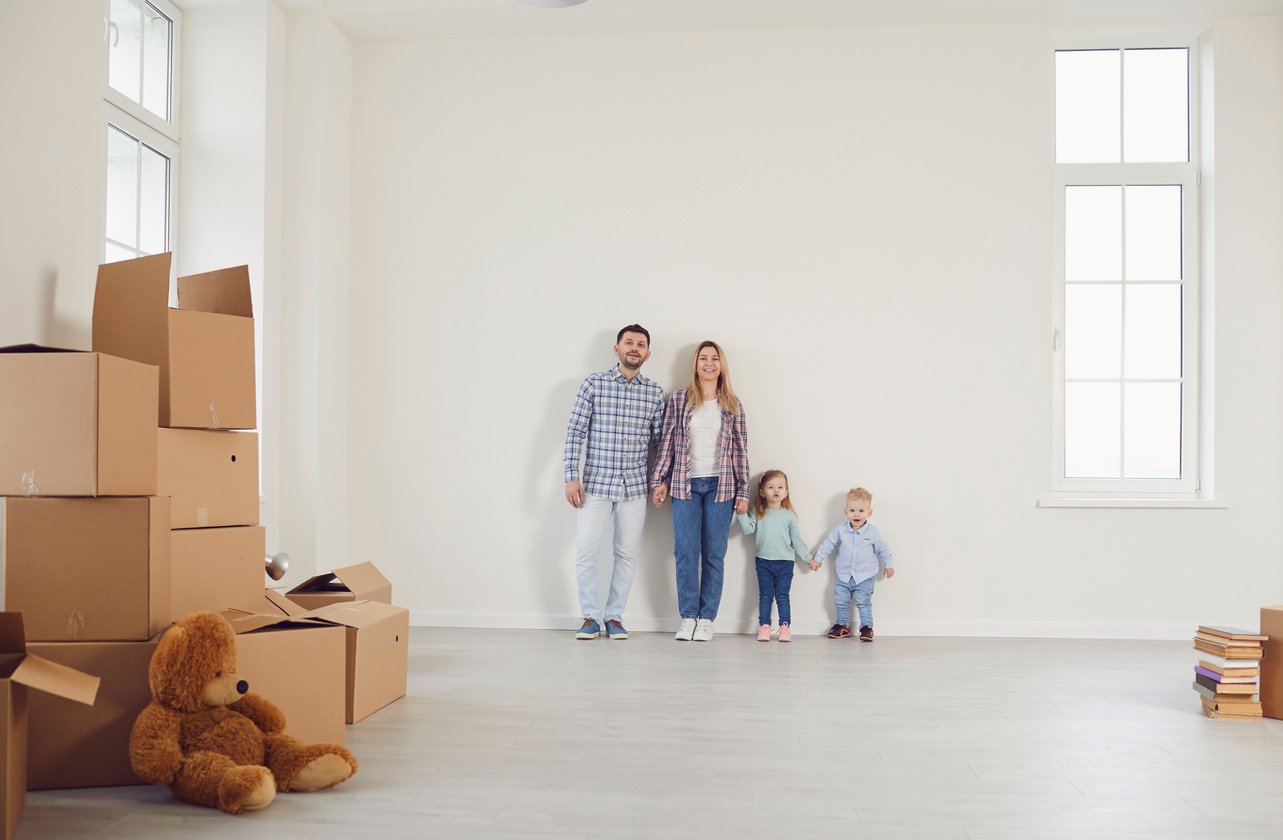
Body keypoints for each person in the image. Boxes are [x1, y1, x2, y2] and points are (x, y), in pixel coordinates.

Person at [563, 325, 665, 641]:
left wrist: (659, 481)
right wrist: (571, 476)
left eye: (641, 344)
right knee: (586, 551)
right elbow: (575, 432)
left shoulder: (655, 392)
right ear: (616, 348)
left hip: (634, 488)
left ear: (648, 353)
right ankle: (590, 617)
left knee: (626, 554)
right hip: (594, 485)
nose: (634, 348)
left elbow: (660, 443)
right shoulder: (594, 384)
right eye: (629, 343)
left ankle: (615, 617)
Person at [651, 340, 749, 642]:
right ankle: (688, 617)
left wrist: (744, 491)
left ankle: (707, 618)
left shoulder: (732, 404)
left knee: (714, 555)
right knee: (685, 552)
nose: (709, 363)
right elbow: (666, 444)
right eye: (703, 358)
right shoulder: (679, 400)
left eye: (715, 359)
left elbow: (741, 451)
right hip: (685, 484)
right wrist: (659, 480)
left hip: (721, 487)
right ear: (695, 364)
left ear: (722, 366)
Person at [810, 487, 895, 642]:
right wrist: (818, 559)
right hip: (843, 576)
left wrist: (888, 565)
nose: (856, 514)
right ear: (846, 511)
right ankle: (842, 625)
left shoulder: (873, 532)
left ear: (869, 513)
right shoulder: (840, 530)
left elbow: (883, 549)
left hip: (865, 576)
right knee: (841, 602)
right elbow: (828, 544)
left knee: (863, 602)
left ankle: (866, 627)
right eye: (852, 510)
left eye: (861, 511)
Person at [736, 469, 812, 642]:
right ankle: (764, 627)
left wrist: (808, 559)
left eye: (780, 487)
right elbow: (748, 529)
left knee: (783, 596)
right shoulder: (757, 511)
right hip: (763, 561)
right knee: (765, 596)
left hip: (786, 563)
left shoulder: (789, 516)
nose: (776, 490)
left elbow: (797, 541)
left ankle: (785, 627)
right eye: (771, 487)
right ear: (762, 492)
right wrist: (741, 513)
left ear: (786, 492)